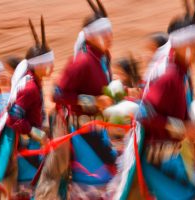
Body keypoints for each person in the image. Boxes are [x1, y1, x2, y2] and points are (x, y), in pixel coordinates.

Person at [107, 0, 195, 199]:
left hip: (173, 159)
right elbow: (143, 113)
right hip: (158, 162)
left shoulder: (181, 71)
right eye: (193, 44)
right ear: (181, 44)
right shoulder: (170, 74)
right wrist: (183, 127)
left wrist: (193, 129)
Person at [0, 16, 55, 199]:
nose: (52, 67)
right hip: (24, 143)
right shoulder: (30, 86)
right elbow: (13, 117)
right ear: (39, 65)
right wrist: (34, 132)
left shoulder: (35, 83)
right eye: (48, 63)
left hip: (30, 142)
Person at [43, 0, 116, 199]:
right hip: (80, 131)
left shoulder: (103, 58)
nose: (109, 37)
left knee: (108, 177)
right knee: (91, 181)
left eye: (110, 32)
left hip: (99, 130)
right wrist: (93, 102)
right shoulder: (81, 61)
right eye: (104, 33)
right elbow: (57, 94)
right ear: (91, 36)